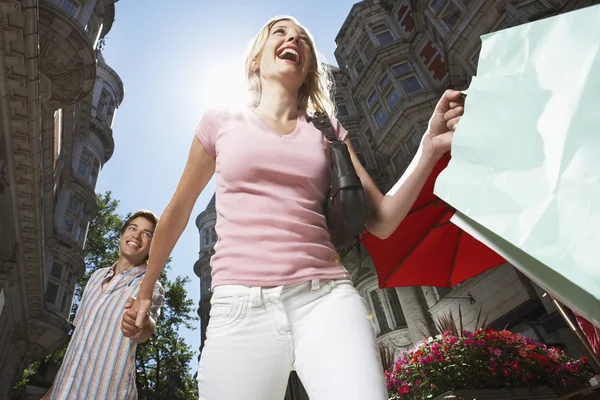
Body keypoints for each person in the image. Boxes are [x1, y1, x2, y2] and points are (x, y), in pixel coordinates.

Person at [128, 16, 465, 400]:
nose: (293, 39)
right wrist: (146, 289)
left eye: (302, 38)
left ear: (307, 67)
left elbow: (383, 220)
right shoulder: (220, 120)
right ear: (257, 59)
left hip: (326, 300)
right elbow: (177, 211)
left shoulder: (328, 130)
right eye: (281, 33)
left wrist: (429, 147)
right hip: (239, 306)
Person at [43, 210, 164, 400]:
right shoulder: (96, 277)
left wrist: (140, 325)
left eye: (147, 234)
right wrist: (53, 391)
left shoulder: (150, 287)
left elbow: (146, 330)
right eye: (132, 228)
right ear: (122, 235)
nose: (137, 235)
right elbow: (79, 340)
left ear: (152, 247)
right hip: (64, 392)